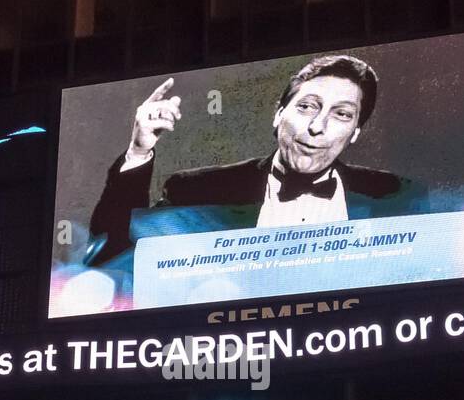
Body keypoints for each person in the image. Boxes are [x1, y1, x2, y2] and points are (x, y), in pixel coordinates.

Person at [85, 54, 438, 266]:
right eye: (306, 107)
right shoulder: (197, 190)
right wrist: (139, 150)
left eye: (342, 114)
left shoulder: (398, 197)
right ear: (277, 114)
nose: (317, 127)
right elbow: (109, 257)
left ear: (355, 133)